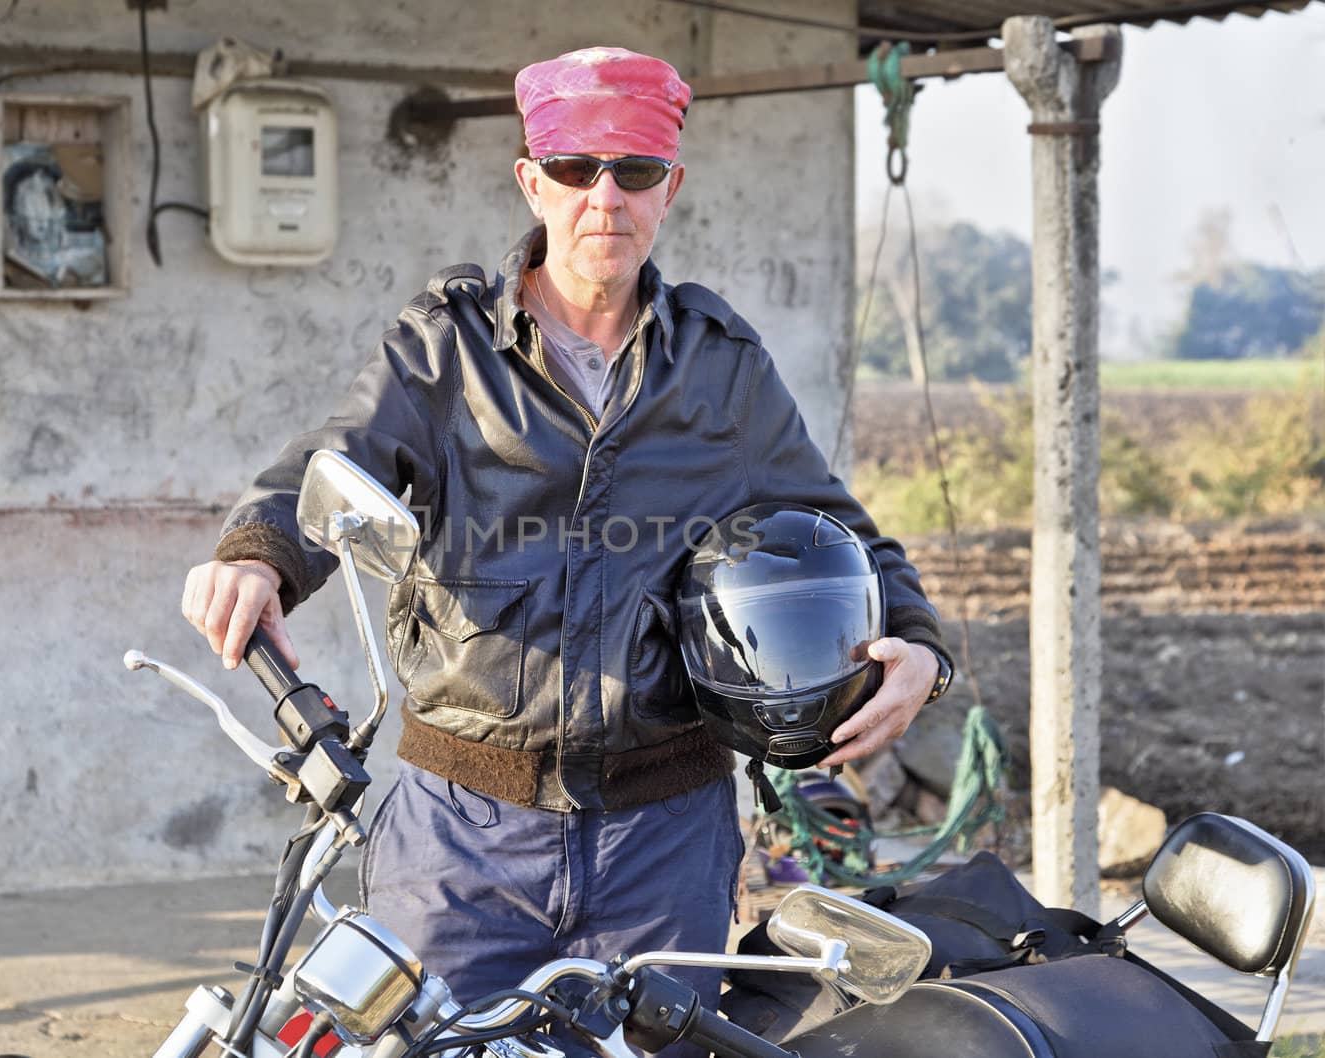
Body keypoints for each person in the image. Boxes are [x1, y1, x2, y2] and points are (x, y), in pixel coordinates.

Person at [182, 45, 951, 1021]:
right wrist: (259, 554)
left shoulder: (723, 371)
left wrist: (919, 645)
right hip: (459, 833)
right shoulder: (446, 350)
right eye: (576, 170)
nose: (604, 198)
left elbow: (840, 528)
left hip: (662, 835)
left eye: (633, 171)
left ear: (669, 187)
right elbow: (340, 459)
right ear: (531, 181)